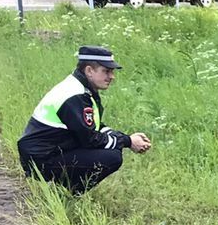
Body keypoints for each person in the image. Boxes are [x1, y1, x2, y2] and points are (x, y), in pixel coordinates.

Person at [17, 45, 150, 194]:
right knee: (112, 156)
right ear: (89, 71)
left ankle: (61, 189)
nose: (112, 76)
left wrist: (124, 138)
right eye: (106, 71)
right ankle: (67, 194)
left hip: (47, 152)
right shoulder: (76, 95)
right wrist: (128, 141)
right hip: (41, 160)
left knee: (110, 147)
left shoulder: (81, 87)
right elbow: (90, 139)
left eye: (111, 71)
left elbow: (94, 127)